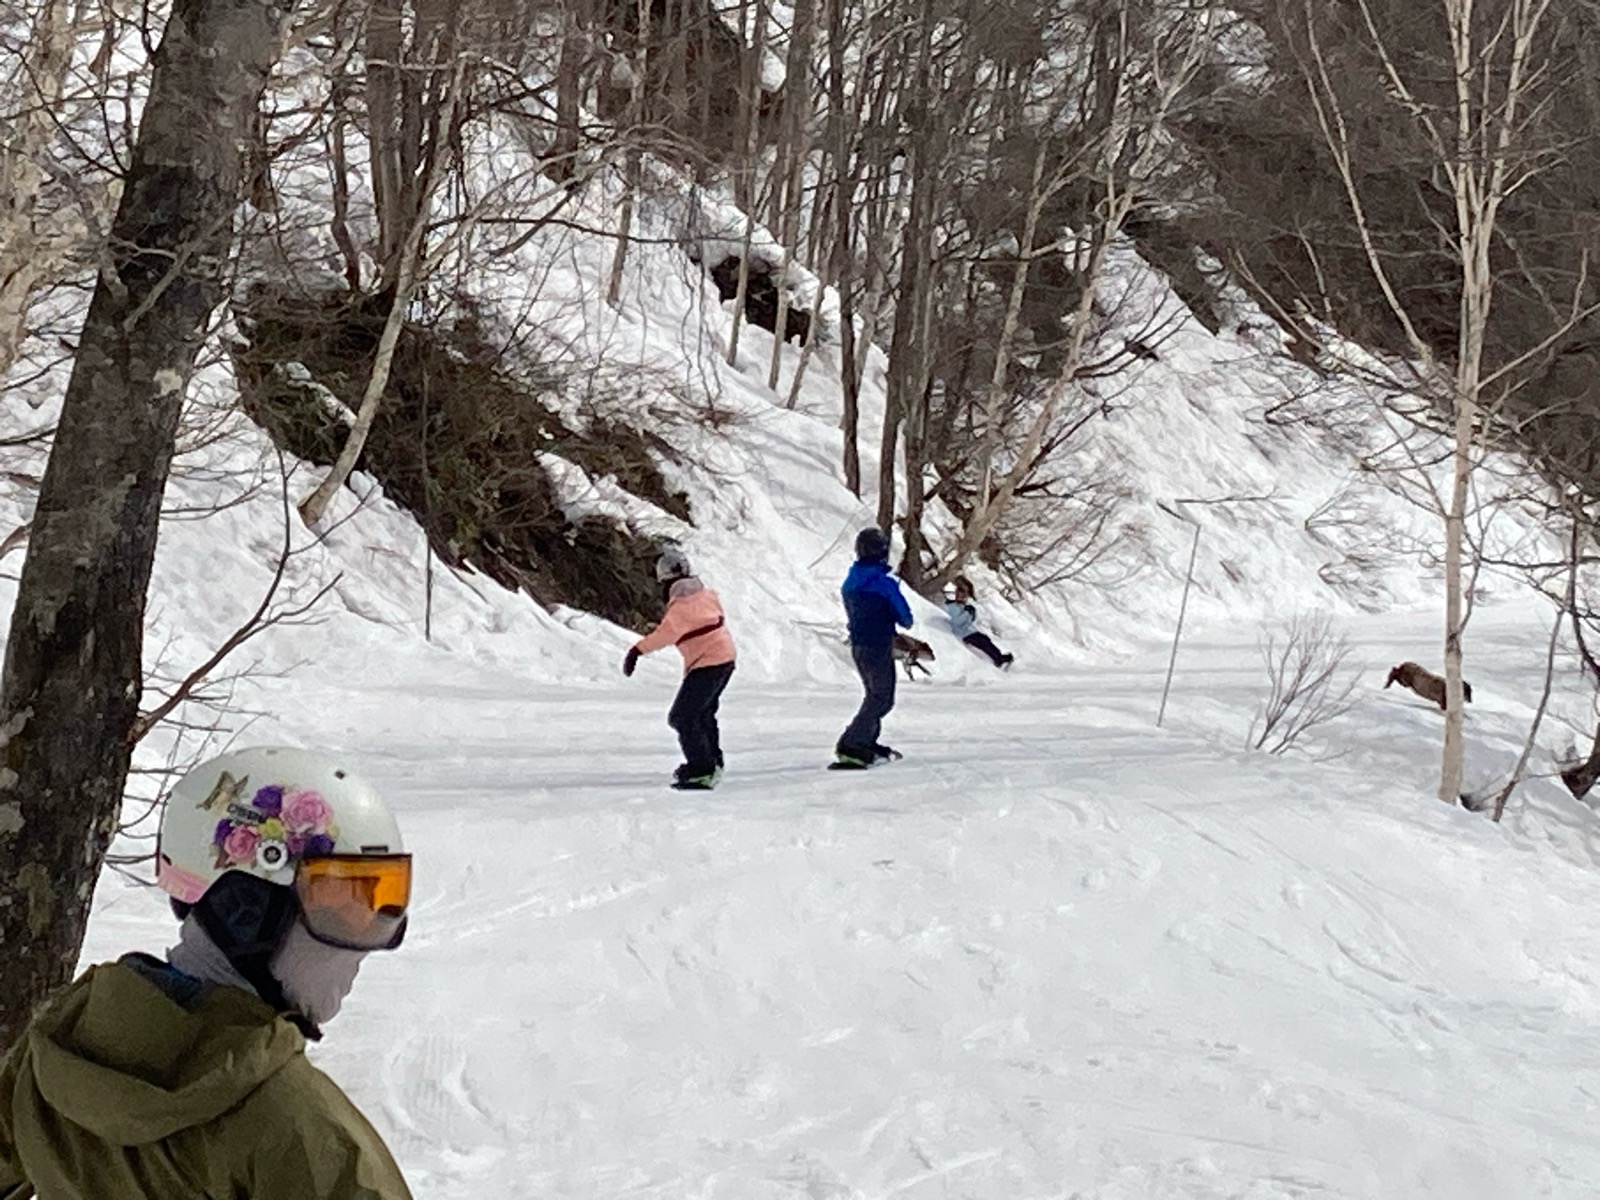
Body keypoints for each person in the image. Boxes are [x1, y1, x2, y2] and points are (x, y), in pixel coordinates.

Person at [0, 746, 414, 1200]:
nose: (366, 946)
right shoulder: (301, 1129)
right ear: (245, 911)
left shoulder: (54, 1054)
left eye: (381, 903)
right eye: (340, 904)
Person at [624, 547, 737, 789]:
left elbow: (664, 635)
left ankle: (701, 769)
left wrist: (636, 651)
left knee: (682, 717)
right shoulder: (707, 595)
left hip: (708, 664)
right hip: (725, 660)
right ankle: (713, 761)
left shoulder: (680, 608)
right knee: (704, 713)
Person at [834, 526, 914, 768]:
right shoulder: (884, 584)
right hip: (878, 646)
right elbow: (905, 618)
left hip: (858, 646)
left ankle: (867, 740)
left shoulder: (850, 581)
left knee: (873, 695)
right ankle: (852, 743)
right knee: (882, 699)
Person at [943, 576, 1014, 669]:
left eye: (965, 596)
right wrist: (967, 613)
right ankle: (999, 660)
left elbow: (969, 621)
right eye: (961, 594)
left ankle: (999, 656)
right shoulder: (952, 607)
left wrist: (971, 614)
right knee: (982, 641)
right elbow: (957, 621)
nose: (963, 597)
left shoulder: (961, 606)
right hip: (962, 634)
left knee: (985, 639)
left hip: (969, 632)